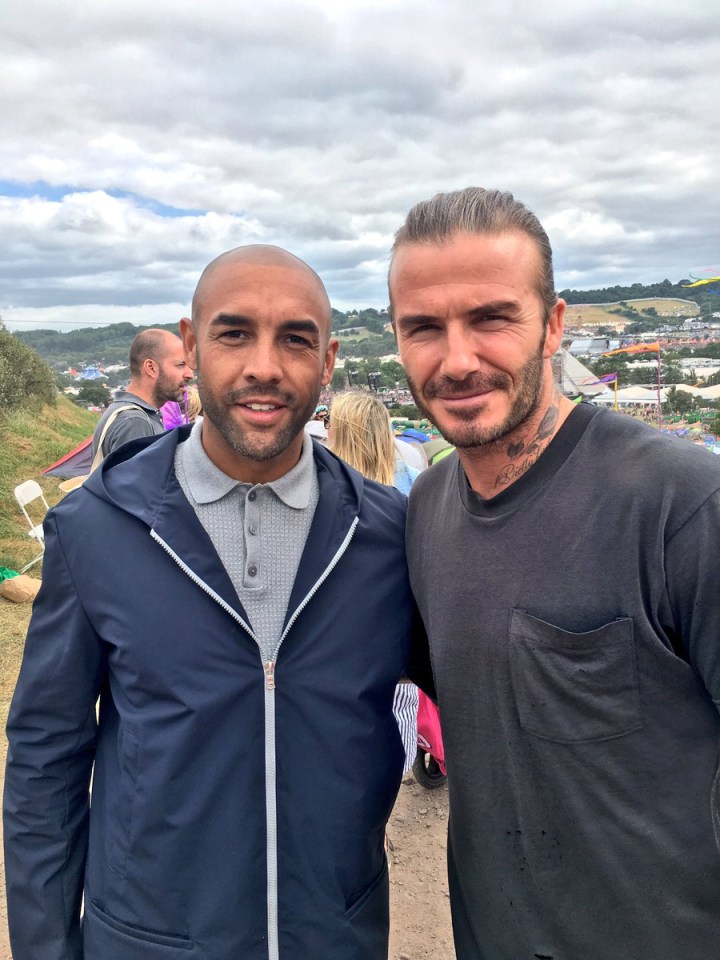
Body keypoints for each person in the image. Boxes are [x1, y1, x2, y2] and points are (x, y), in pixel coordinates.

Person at [4, 244, 430, 960]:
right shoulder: (96, 531)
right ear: (192, 347)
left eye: (294, 339)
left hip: (335, 938)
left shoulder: (386, 535)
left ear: (326, 364)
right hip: (147, 942)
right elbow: (46, 759)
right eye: (235, 334)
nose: (264, 365)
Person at [389, 186, 720, 960]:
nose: (458, 358)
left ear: (555, 324)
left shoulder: (679, 503)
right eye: (425, 328)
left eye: (492, 318)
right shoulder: (427, 510)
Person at [327, 390, 420, 774]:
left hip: (336, 667)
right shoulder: (414, 484)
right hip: (398, 664)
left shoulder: (322, 495)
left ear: (340, 433)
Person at [91, 328, 193, 460]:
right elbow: (134, 480)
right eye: (180, 365)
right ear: (151, 368)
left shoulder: (129, 413)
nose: (190, 374)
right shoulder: (134, 422)